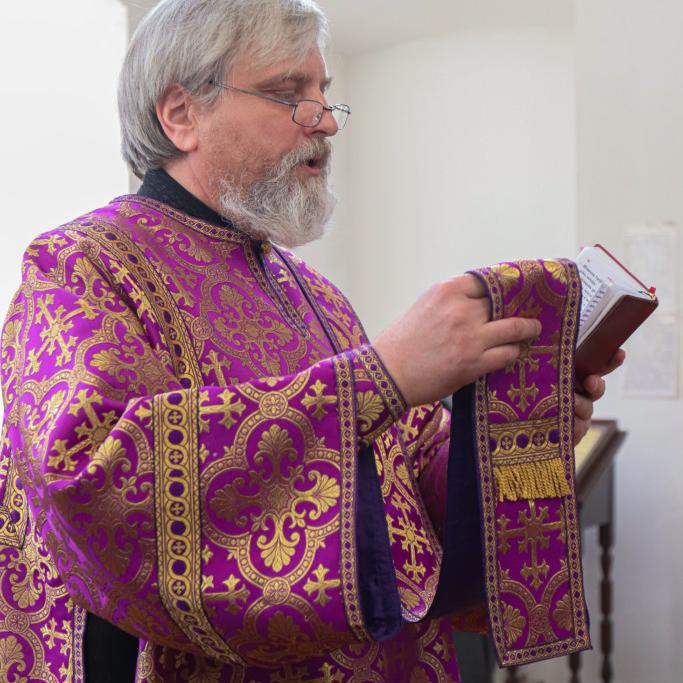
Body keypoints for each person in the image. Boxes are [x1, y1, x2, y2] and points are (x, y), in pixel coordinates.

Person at [0, 1, 620, 681]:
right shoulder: (82, 264)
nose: (325, 121)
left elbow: (407, 491)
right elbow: (91, 480)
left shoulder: (315, 295)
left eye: (325, 94)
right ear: (181, 115)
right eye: (288, 93)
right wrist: (379, 378)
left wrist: (513, 423)